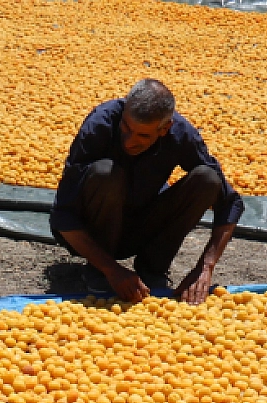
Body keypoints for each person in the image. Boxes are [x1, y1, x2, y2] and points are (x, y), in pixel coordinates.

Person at [50, 79, 244, 306]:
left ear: (164, 129)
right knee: (105, 172)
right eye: (126, 128)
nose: (129, 142)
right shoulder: (100, 125)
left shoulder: (181, 134)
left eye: (143, 136)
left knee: (207, 179)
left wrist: (205, 267)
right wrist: (111, 269)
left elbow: (230, 203)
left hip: (142, 227)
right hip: (93, 231)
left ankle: (153, 270)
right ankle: (98, 271)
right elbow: (63, 215)